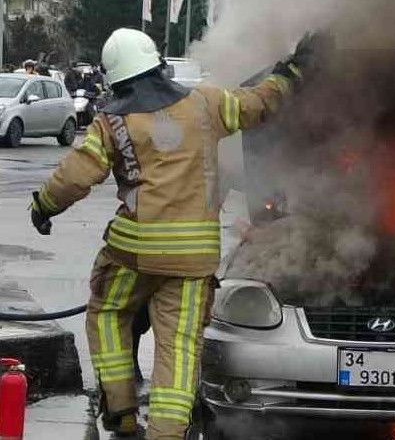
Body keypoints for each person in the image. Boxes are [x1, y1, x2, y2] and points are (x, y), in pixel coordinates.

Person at [29, 28, 323, 439]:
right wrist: (292, 71)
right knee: (179, 348)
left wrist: (43, 207)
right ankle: (165, 433)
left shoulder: (113, 121)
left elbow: (75, 176)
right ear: (158, 65)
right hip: (193, 260)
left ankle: (121, 410)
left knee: (108, 312)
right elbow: (260, 102)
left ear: (116, 78)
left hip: (133, 252)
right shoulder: (207, 103)